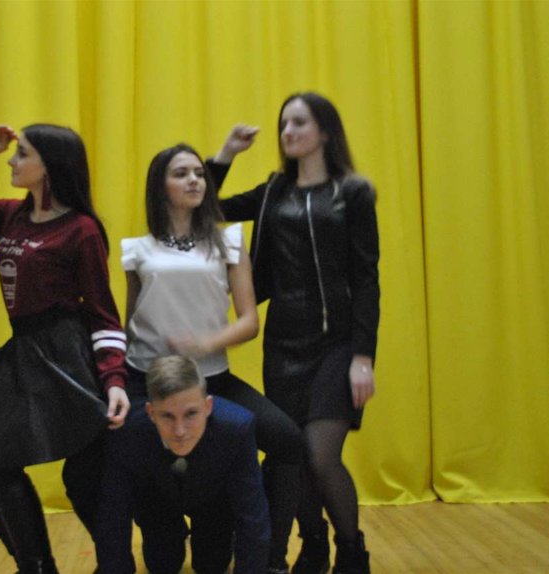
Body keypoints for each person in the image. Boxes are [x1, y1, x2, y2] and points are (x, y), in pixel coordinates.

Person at [0, 124, 131, 574]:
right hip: (24, 352)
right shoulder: (10, 216)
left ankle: (116, 565)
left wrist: (115, 379)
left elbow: (102, 312)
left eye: (22, 154)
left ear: (49, 166)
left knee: (84, 477)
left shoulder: (82, 230)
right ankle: (37, 567)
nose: (12, 162)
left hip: (68, 356)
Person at [208, 92, 380, 574]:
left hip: (337, 344)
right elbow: (206, 206)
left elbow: (367, 278)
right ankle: (313, 544)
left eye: (299, 123)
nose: (288, 132)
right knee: (293, 454)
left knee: (321, 457)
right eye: (284, 124)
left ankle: (352, 551)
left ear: (325, 131)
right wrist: (225, 154)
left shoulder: (353, 192)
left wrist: (363, 356)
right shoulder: (273, 191)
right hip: (284, 344)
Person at [121, 143, 305, 573]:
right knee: (128, 457)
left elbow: (248, 321)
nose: (194, 180)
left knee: (287, 440)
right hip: (149, 381)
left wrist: (204, 343)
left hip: (212, 379)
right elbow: (130, 322)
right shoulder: (136, 250)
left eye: (199, 173)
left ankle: (270, 556)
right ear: (160, 186)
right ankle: (163, 527)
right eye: (181, 173)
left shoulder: (228, 242)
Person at [95, 355, 270, 574]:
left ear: (208, 406)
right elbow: (113, 518)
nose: (180, 431)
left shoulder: (236, 430)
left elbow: (253, 518)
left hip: (212, 503)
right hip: (158, 502)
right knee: (162, 565)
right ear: (151, 413)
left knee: (212, 566)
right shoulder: (126, 435)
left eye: (191, 414)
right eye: (167, 416)